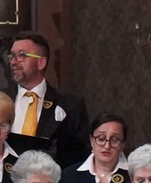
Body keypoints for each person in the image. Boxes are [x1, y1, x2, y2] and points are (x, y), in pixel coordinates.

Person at [5, 33, 89, 166]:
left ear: (41, 63)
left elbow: (80, 156)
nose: (13, 62)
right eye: (12, 56)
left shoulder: (70, 105)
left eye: (21, 55)